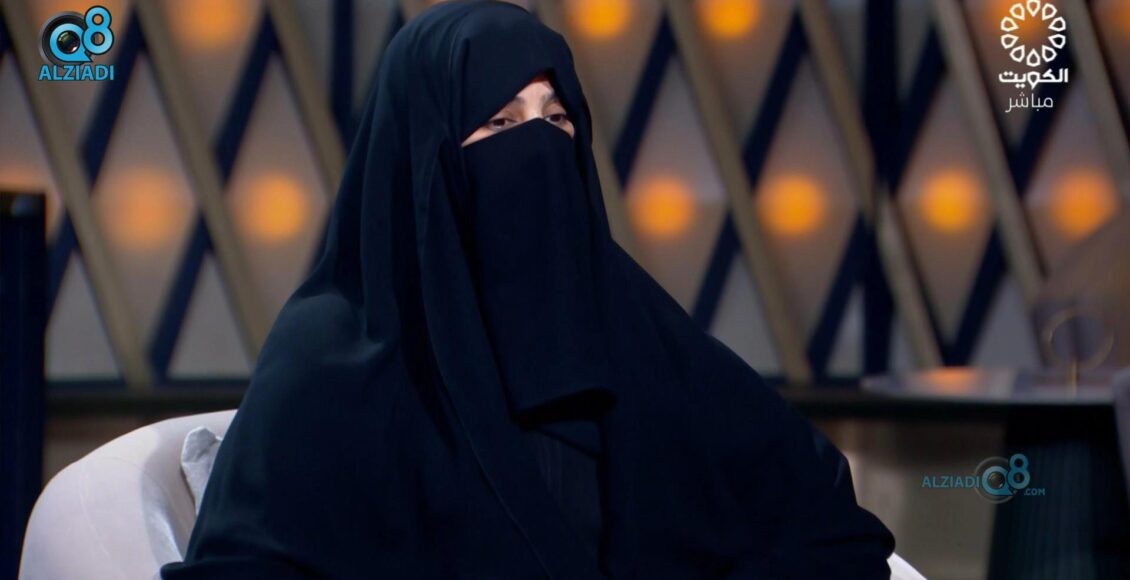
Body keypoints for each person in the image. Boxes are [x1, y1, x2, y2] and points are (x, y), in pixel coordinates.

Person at [159, 1, 895, 578]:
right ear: (425, 160)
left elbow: (825, 524)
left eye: (557, 118)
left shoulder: (630, 324)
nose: (537, 147)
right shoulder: (329, 358)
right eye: (500, 123)